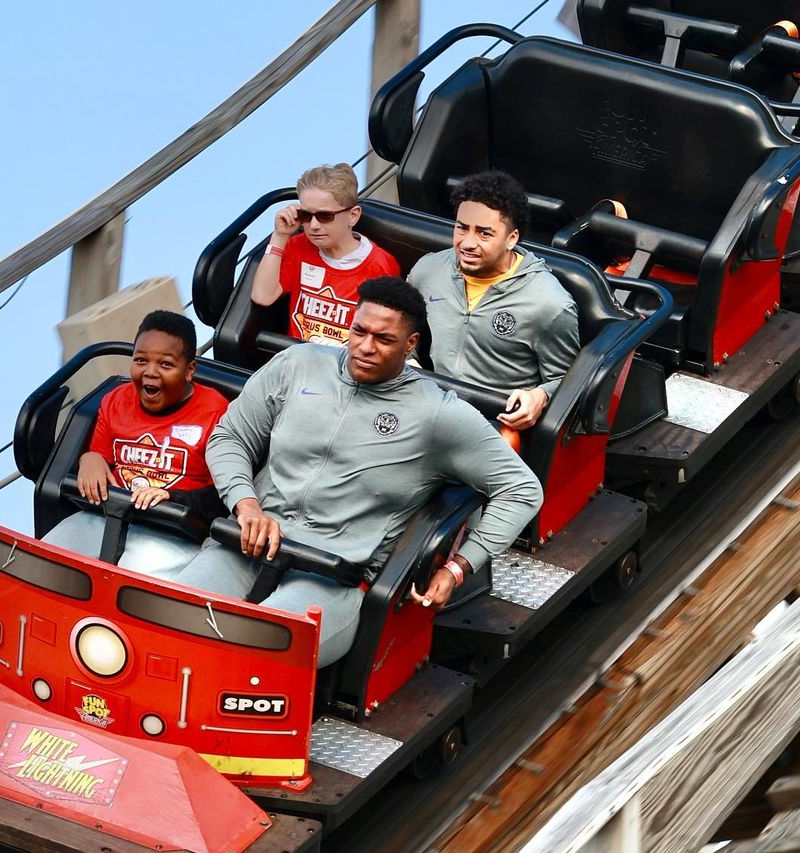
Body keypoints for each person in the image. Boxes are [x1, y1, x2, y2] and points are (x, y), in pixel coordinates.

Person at [171, 277, 542, 667]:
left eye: (383, 339)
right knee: (170, 618)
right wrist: (246, 505)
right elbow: (230, 437)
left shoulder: (439, 414)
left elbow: (521, 489)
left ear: (410, 344)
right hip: (244, 547)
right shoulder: (298, 364)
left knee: (256, 651)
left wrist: (457, 567)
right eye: (359, 331)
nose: (365, 347)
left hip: (333, 577)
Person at [42, 310, 228, 576]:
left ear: (189, 371)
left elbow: (222, 495)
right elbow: (99, 456)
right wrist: (89, 458)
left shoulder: (216, 412)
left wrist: (173, 498)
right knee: (50, 557)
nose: (150, 372)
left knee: (134, 578)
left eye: (165, 364)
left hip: (172, 530)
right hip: (107, 516)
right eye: (141, 360)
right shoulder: (115, 400)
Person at [407, 170, 580, 430]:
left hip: (495, 424)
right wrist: (405, 358)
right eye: (462, 228)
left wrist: (541, 396)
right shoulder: (429, 270)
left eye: (484, 233)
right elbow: (403, 327)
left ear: (512, 239)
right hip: (428, 405)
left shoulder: (549, 304)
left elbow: (570, 382)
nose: (467, 243)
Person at [250, 163, 401, 347]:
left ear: (353, 216)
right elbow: (262, 297)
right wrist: (280, 236)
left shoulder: (382, 265)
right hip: (295, 356)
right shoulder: (298, 246)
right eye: (306, 215)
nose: (314, 225)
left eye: (325, 216)